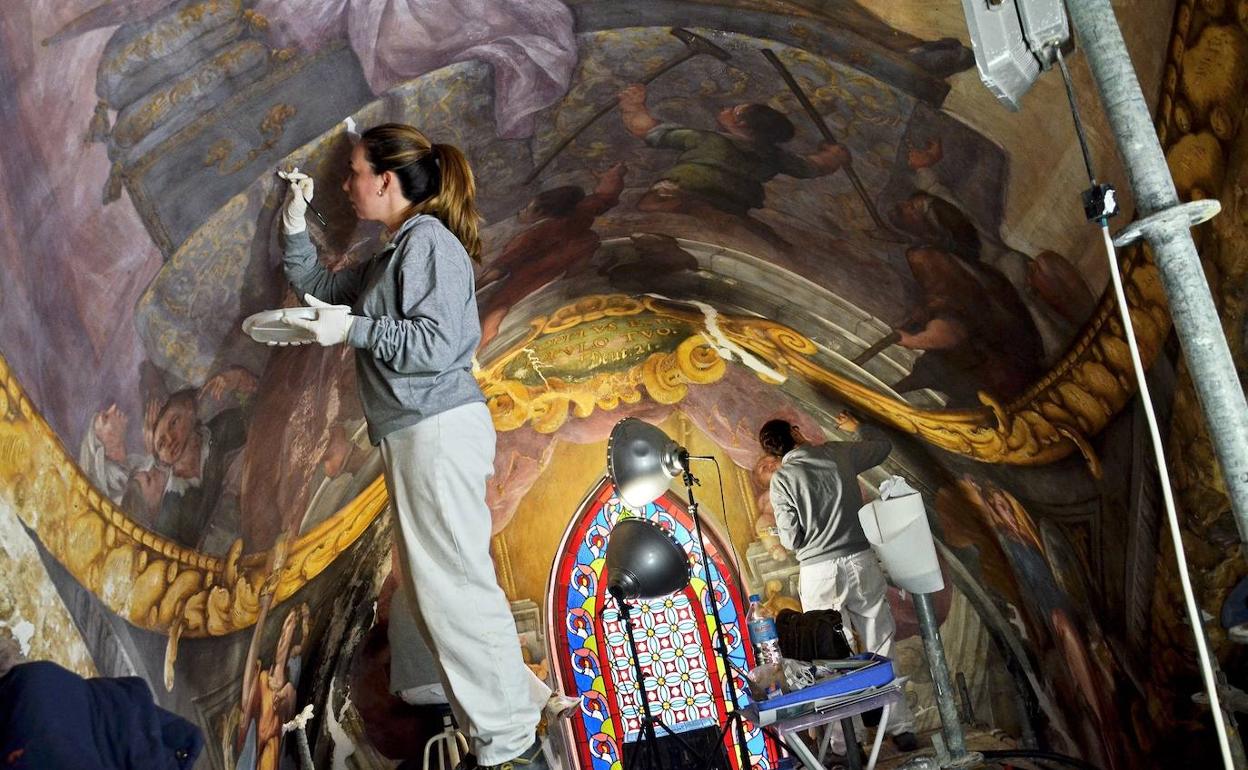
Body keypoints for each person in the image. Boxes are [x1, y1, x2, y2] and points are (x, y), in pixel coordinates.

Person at [276, 123, 556, 770]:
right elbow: (321, 289)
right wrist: (295, 223)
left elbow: (435, 345)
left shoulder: (430, 241)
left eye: (353, 173)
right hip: (414, 432)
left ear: (387, 179)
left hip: (436, 427)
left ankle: (512, 742)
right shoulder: (391, 254)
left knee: (452, 587)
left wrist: (353, 327)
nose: (345, 185)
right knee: (434, 592)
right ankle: (516, 707)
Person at [757, 411, 918, 753]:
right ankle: (901, 727)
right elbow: (882, 446)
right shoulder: (837, 453)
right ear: (796, 432)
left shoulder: (783, 478)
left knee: (830, 655)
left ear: (774, 453)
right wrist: (859, 425)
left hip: (819, 573)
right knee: (880, 641)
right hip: (860, 561)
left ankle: (848, 742)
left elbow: (790, 539)